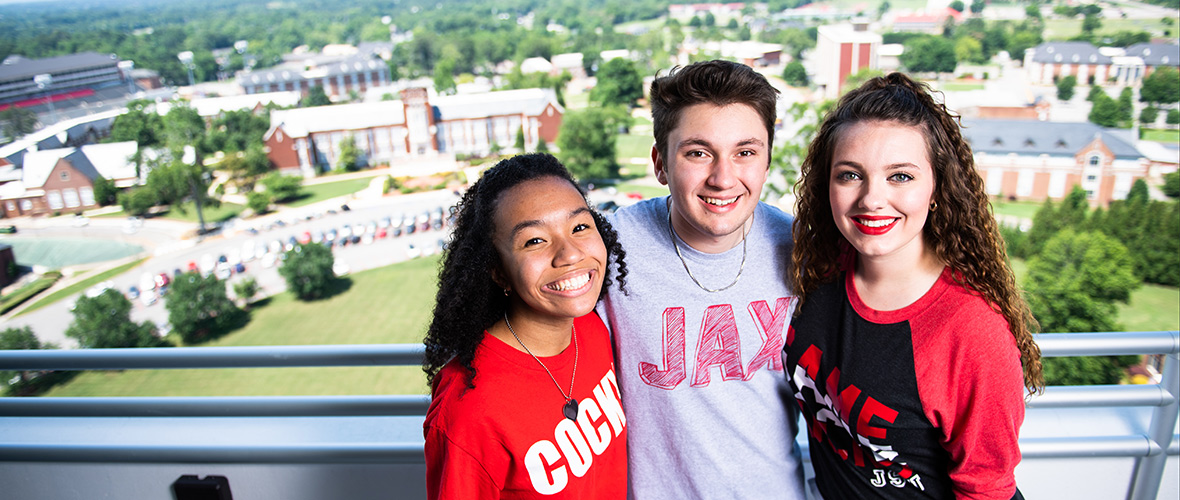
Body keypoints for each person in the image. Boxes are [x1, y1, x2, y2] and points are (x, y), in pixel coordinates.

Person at [784, 72, 1044, 499]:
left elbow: (986, 490)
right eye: (850, 175)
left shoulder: (972, 332)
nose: (871, 199)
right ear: (824, 185)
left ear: (937, 187)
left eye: (900, 176)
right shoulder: (814, 271)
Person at [598, 60, 807, 499]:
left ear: (767, 159)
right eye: (698, 152)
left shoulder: (802, 251)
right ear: (660, 163)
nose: (722, 177)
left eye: (745, 152)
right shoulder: (608, 248)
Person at [423, 153, 629, 499]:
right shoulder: (469, 409)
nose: (570, 255)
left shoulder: (591, 328)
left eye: (580, 227)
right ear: (498, 270)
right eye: (534, 240)